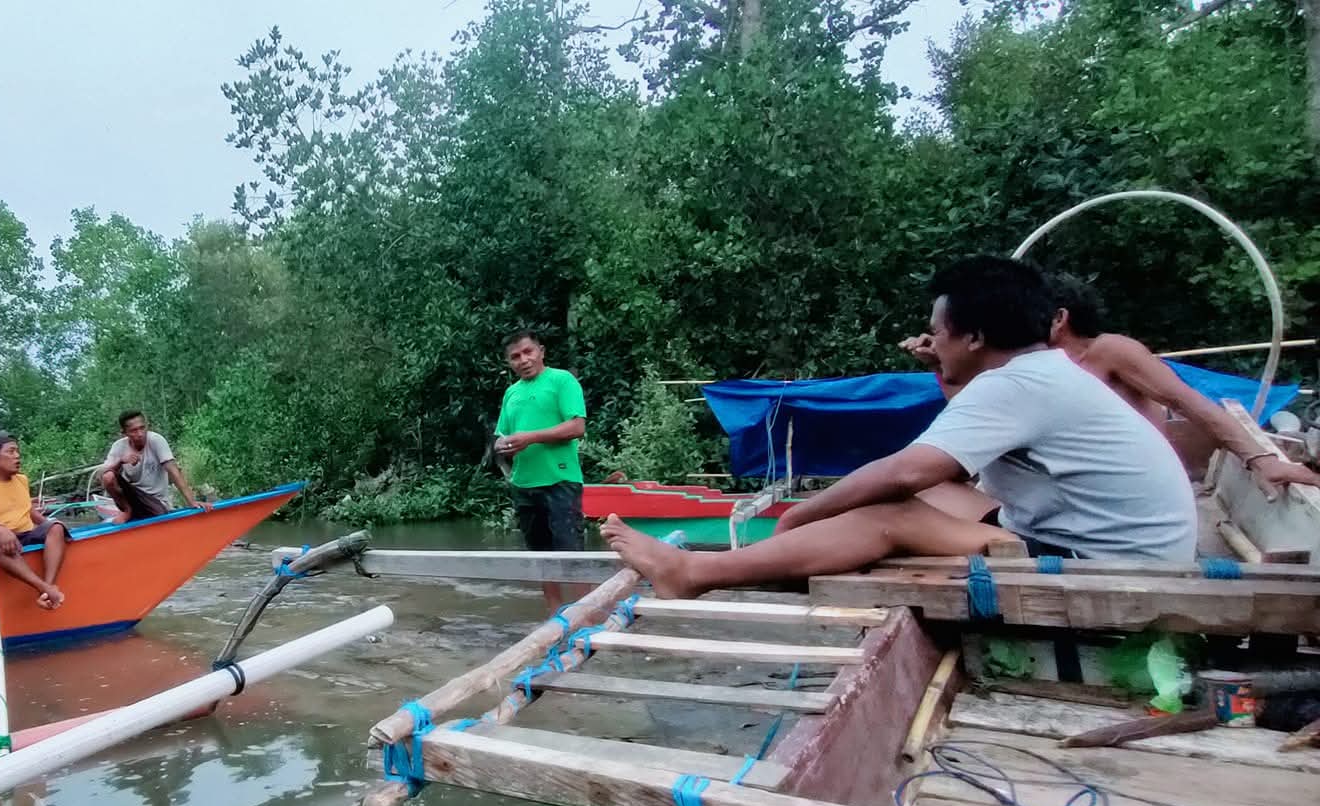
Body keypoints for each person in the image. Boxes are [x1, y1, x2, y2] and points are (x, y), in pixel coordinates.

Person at [604, 256, 1198, 599]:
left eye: (939, 333)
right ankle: (788, 557)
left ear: (975, 337)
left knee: (893, 511)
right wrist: (945, 369)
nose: (931, 341)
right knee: (929, 495)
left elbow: (907, 470)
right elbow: (948, 452)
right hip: (1120, 545)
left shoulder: (1017, 384)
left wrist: (804, 513)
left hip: (1112, 568)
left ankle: (695, 573)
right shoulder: (1037, 372)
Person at [903, 273, 1320, 495]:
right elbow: (970, 423)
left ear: (1058, 318)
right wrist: (942, 363)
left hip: (1118, 493)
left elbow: (1189, 402)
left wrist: (1262, 460)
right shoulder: (1027, 371)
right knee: (927, 492)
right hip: (1053, 494)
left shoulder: (1110, 351)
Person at [493, 329, 588, 609]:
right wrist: (502, 445)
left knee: (573, 556)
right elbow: (502, 435)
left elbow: (576, 427)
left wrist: (529, 438)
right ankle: (555, 618)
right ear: (509, 362)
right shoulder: (512, 393)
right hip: (524, 484)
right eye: (515, 357)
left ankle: (588, 617)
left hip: (560, 479)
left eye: (528, 352)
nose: (523, 360)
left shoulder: (561, 380)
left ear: (541, 351)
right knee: (541, 558)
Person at [0, 432, 69, 609]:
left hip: (23, 534)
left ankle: (47, 589)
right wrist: (2, 531)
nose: (17, 456)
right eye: (11, 452)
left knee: (56, 527)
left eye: (17, 451)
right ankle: (43, 588)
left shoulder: (21, 480)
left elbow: (28, 510)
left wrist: (49, 524)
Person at [98, 410, 213, 523]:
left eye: (142, 428)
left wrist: (191, 501)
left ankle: (139, 515)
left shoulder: (156, 440)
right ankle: (127, 511)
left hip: (155, 501)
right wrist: (121, 461)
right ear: (124, 433)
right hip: (132, 498)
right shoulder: (118, 446)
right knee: (108, 476)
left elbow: (173, 470)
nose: (140, 434)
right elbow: (102, 475)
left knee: (157, 512)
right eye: (134, 430)